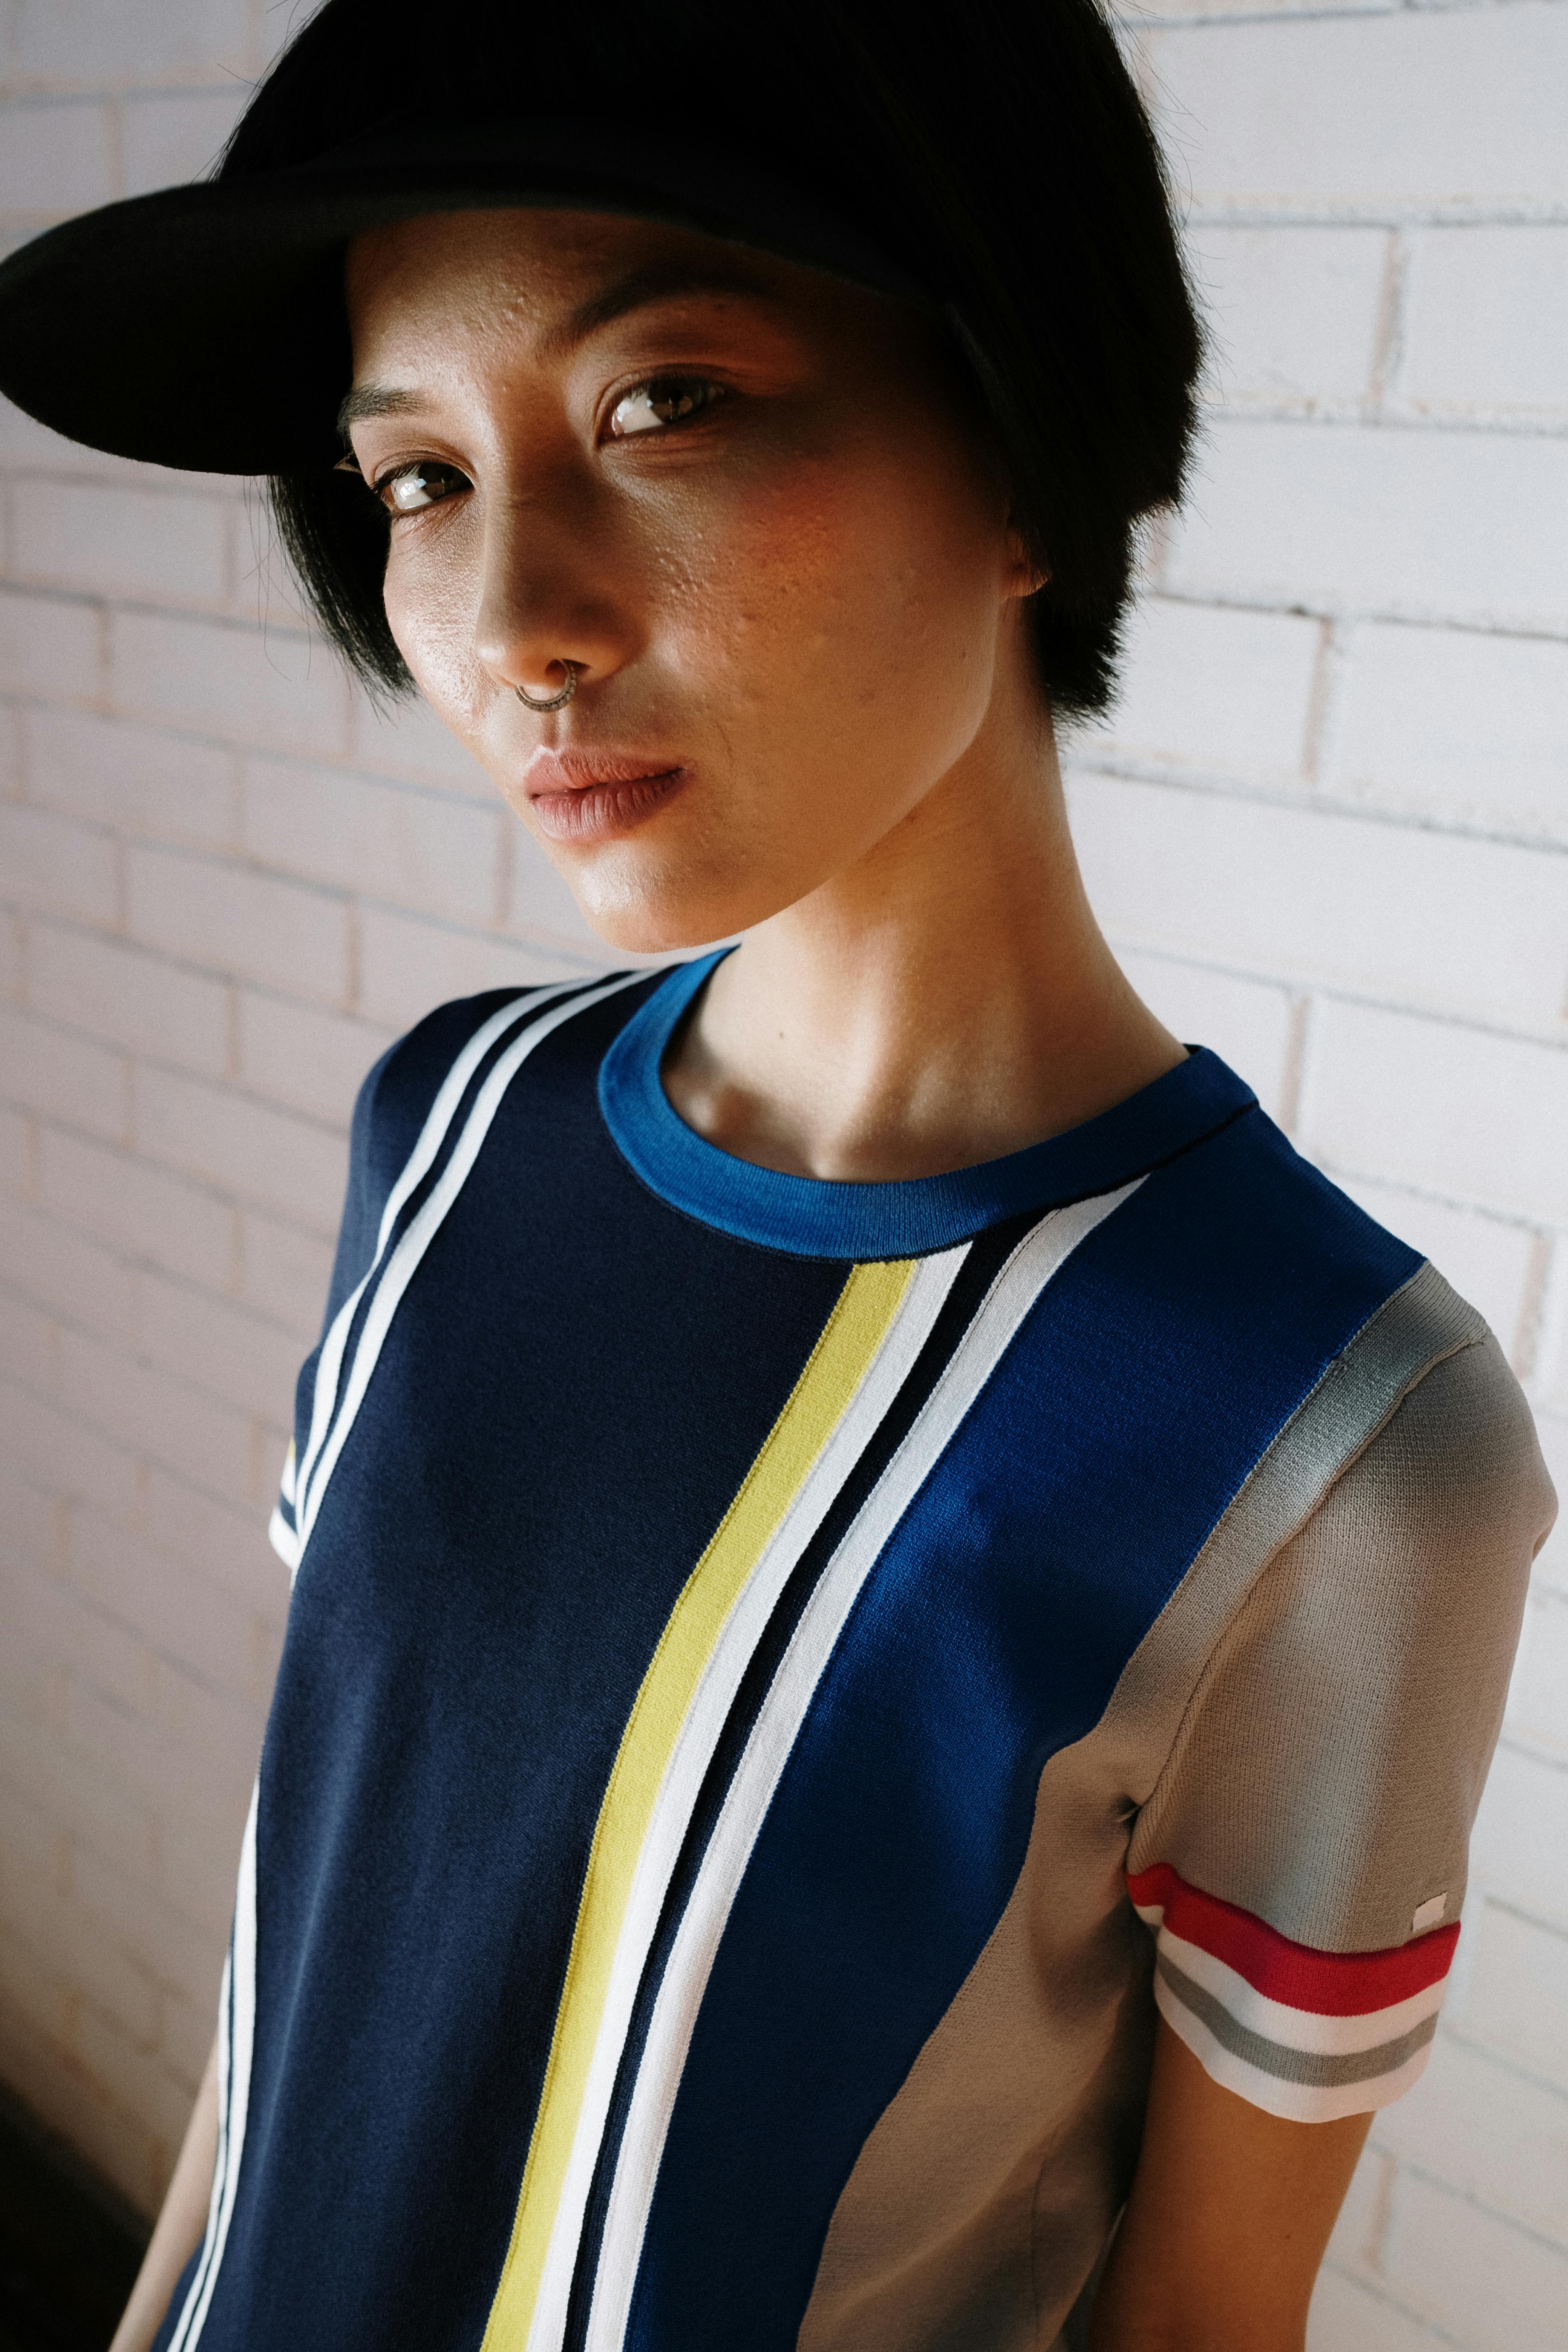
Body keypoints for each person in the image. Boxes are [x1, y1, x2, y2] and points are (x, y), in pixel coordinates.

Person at [0, 2, 1553, 2347]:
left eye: (664, 406)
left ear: (1024, 447)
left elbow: (1207, 2311)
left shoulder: (1332, 1435)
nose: (516, 616)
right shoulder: (444, 1133)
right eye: (418, 477)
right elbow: (309, 1935)